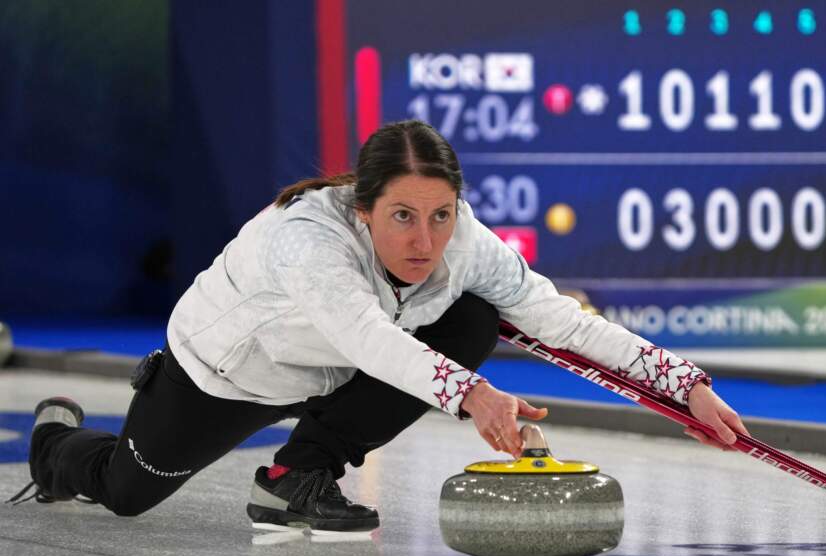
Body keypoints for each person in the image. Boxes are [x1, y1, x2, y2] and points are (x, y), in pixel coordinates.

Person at [8, 120, 748, 532]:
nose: (425, 241)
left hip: (335, 374)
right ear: (363, 209)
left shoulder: (464, 242)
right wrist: (473, 395)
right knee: (125, 491)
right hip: (226, 372)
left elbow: (559, 318)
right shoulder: (309, 241)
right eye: (402, 216)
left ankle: (298, 474)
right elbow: (368, 337)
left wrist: (685, 386)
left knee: (475, 315)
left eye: (441, 215)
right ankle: (54, 443)